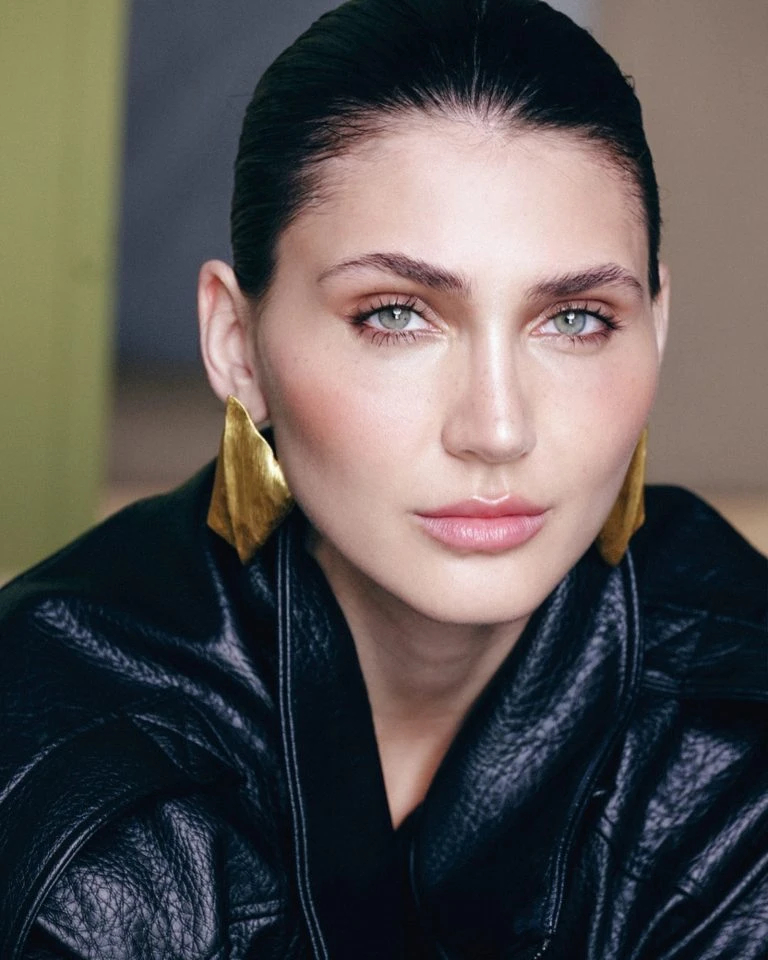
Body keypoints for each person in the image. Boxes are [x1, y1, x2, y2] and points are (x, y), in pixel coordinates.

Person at [1, 0, 766, 956]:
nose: (497, 429)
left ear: (656, 328)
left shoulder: (737, 729)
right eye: (396, 314)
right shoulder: (67, 773)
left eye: (576, 318)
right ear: (236, 344)